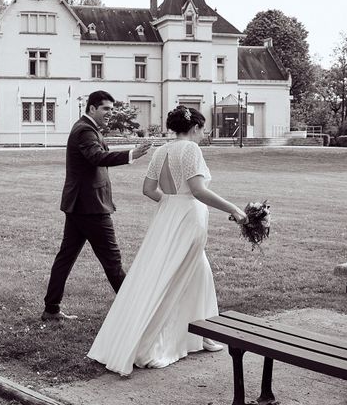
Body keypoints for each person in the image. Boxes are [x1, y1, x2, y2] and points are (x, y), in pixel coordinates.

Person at [87, 105, 247, 375]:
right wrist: (233, 208)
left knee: (197, 271)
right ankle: (154, 343)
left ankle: (204, 332)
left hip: (169, 214)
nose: (202, 134)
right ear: (195, 127)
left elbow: (148, 190)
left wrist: (172, 204)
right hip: (188, 216)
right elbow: (198, 191)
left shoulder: (161, 150)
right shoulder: (191, 149)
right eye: (202, 129)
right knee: (176, 275)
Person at [41, 90, 152, 321]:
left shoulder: (87, 128)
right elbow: (97, 157)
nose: (110, 114)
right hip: (90, 208)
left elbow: (98, 156)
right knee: (112, 260)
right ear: (92, 108)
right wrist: (131, 154)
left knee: (66, 257)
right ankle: (135, 312)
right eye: (106, 109)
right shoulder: (85, 130)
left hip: (80, 205)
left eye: (111, 109)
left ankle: (51, 309)